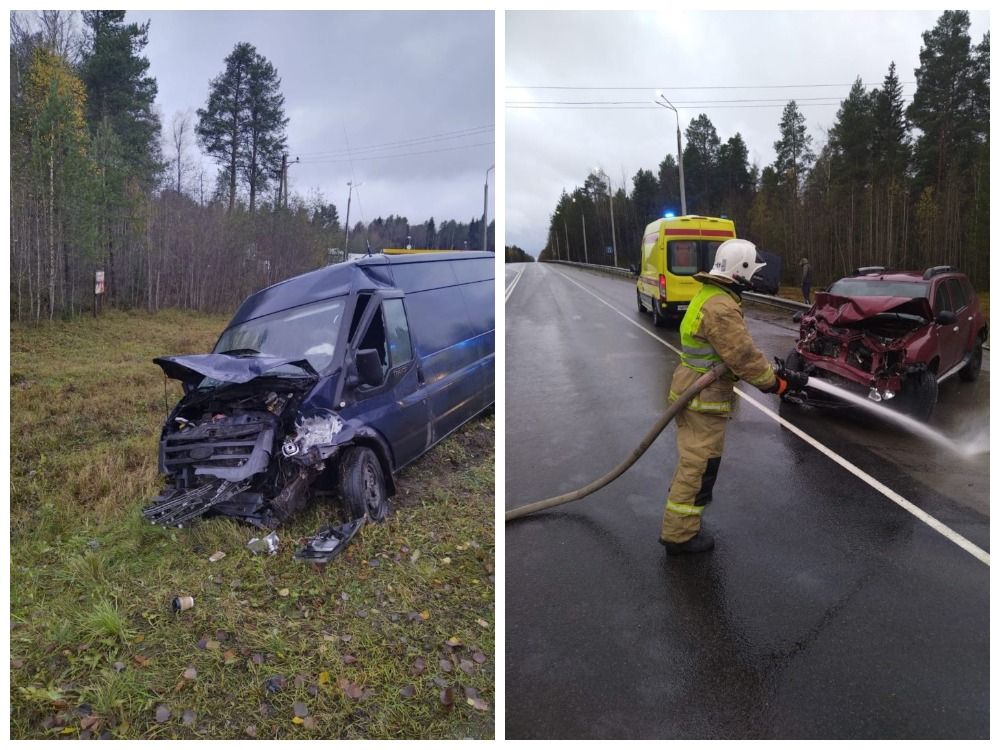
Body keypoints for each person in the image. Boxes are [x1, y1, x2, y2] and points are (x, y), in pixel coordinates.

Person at [660, 239, 807, 555]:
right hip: (702, 397)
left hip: (693, 390)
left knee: (694, 462)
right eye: (752, 270)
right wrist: (776, 384)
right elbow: (742, 356)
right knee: (699, 465)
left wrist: (773, 372)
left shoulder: (711, 296)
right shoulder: (722, 307)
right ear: (740, 269)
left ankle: (683, 521)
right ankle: (679, 535)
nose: (755, 277)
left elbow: (731, 354)